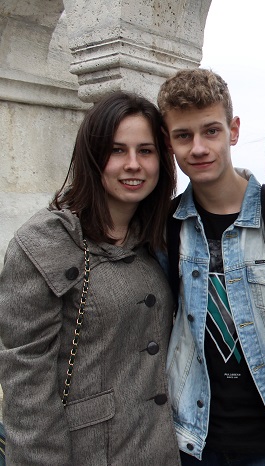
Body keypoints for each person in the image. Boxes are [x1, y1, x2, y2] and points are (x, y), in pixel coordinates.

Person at [0, 91, 180, 464]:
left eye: (145, 151)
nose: (133, 164)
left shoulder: (155, 239)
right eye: (117, 151)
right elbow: (27, 387)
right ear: (92, 156)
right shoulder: (45, 243)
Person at [157, 69, 265, 465]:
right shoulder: (167, 226)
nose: (198, 148)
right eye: (183, 136)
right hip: (194, 438)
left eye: (211, 131)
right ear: (169, 143)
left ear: (233, 131)